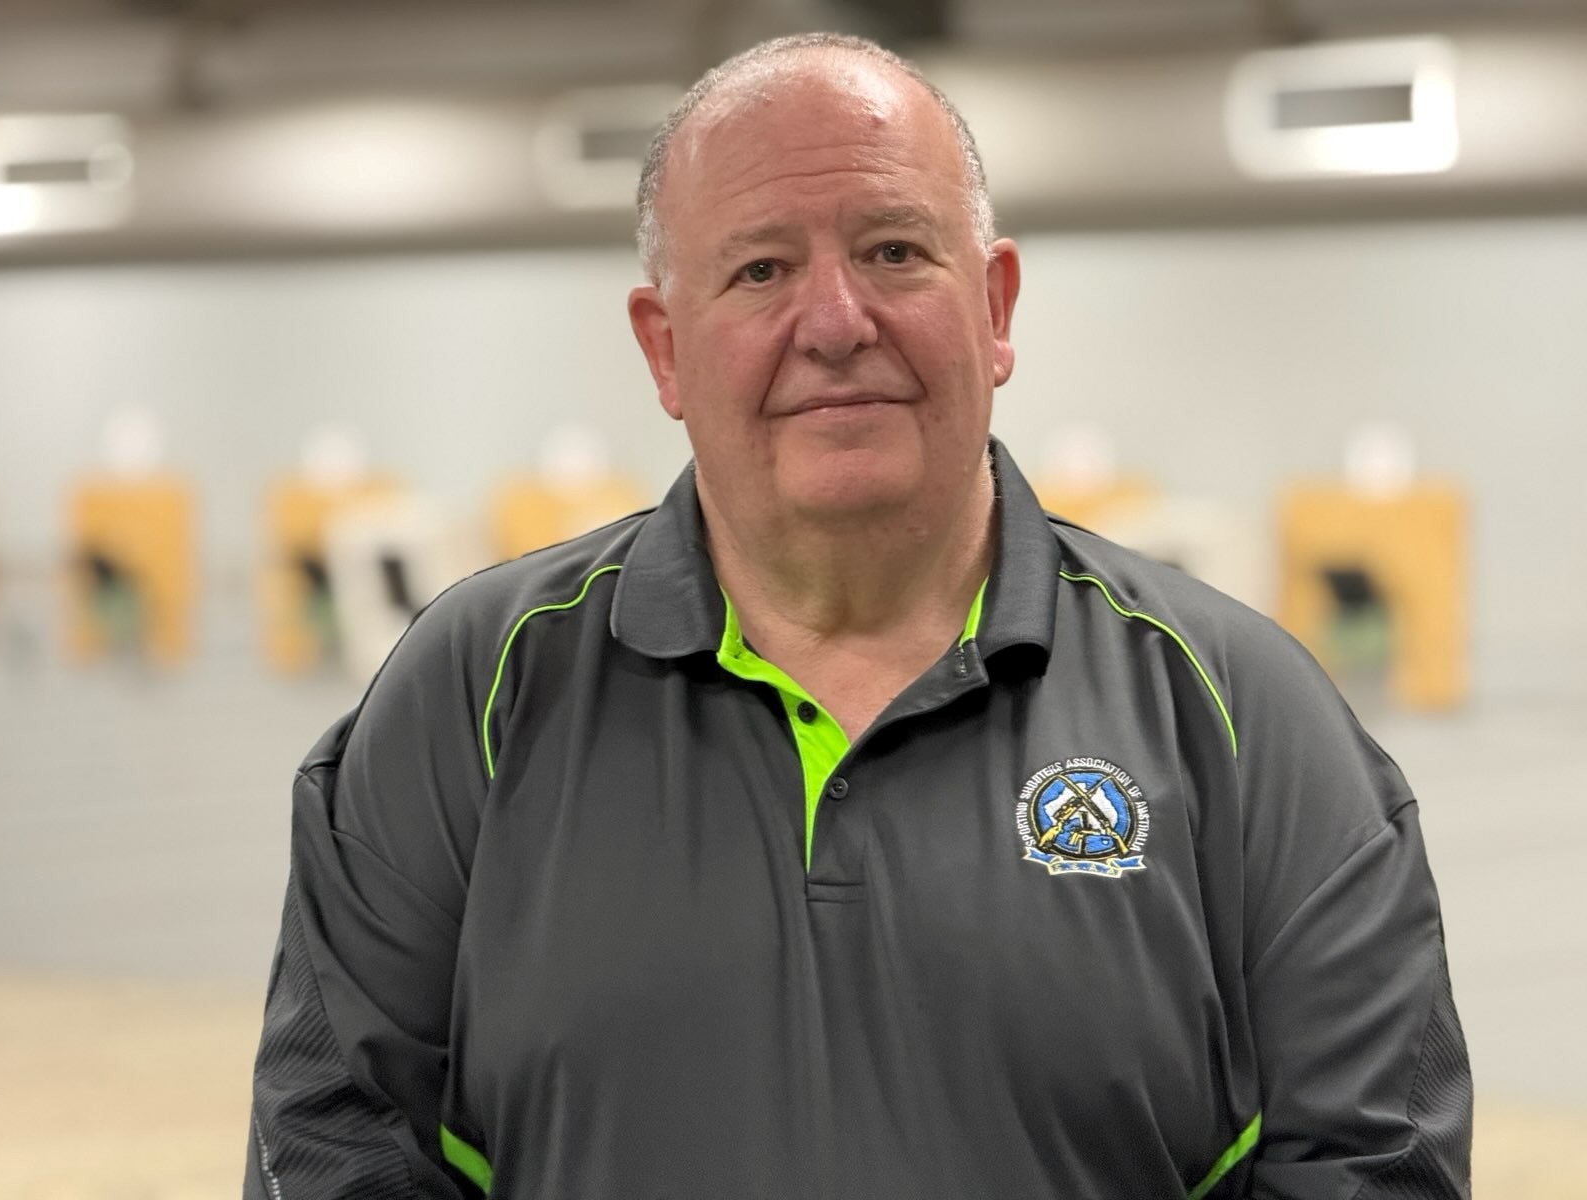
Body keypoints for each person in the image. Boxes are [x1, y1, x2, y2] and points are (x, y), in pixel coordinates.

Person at [245, 32, 1472, 1200]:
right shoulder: (470, 695)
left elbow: (1369, 1164)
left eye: (893, 251)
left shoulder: (1245, 714)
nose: (835, 322)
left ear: (994, 307)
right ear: (665, 350)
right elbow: (336, 1145)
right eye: (760, 269)